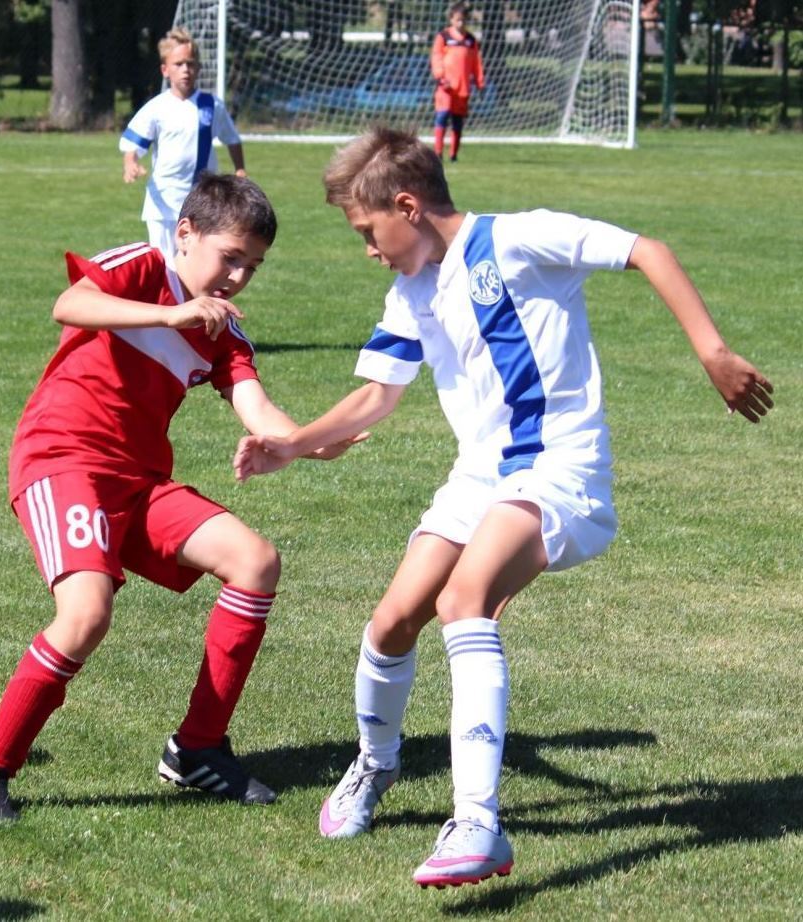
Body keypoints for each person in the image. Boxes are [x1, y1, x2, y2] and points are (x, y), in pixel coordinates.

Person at [233, 128, 773, 887]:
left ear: (407, 206)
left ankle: (478, 824)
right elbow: (373, 398)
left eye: (367, 231)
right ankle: (374, 767)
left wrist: (712, 352)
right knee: (390, 623)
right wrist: (293, 442)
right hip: (477, 479)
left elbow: (646, 249)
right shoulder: (410, 289)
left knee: (464, 600)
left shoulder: (519, 240)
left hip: (559, 472)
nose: (367, 250)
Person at [0, 173, 359, 823]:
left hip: (138, 481)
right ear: (184, 235)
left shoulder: (223, 333)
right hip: (63, 461)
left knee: (254, 560)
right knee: (86, 615)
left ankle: (197, 748)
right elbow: (70, 303)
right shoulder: (140, 267)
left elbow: (260, 412)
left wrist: (310, 441)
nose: (238, 278)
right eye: (230, 258)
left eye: (252, 266)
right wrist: (169, 313)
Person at [119, 27, 246, 261]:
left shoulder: (211, 106)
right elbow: (133, 142)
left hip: (202, 200)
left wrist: (239, 168)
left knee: (197, 261)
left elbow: (232, 138)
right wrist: (131, 163)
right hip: (163, 201)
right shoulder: (157, 108)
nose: (185, 69)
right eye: (178, 64)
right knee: (164, 263)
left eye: (190, 63)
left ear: (198, 68)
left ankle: (195, 298)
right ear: (165, 70)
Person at [430, 2, 485, 162]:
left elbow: (476, 63)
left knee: (457, 121)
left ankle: (453, 154)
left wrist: (480, 82)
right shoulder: (443, 37)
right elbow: (436, 57)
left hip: (462, 88)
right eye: (458, 20)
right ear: (451, 20)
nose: (461, 23)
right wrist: (440, 75)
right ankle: (438, 152)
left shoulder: (470, 40)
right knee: (442, 115)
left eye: (463, 20)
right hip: (445, 86)